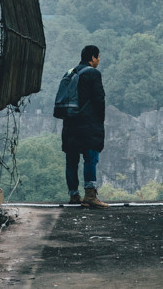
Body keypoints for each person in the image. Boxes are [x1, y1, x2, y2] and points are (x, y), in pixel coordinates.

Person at [62, 45, 109, 208]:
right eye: (98, 57)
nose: (98, 61)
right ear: (93, 58)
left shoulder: (70, 72)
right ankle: (90, 195)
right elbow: (99, 100)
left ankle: (74, 196)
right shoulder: (93, 73)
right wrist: (99, 121)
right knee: (90, 158)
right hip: (87, 125)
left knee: (71, 160)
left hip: (69, 124)